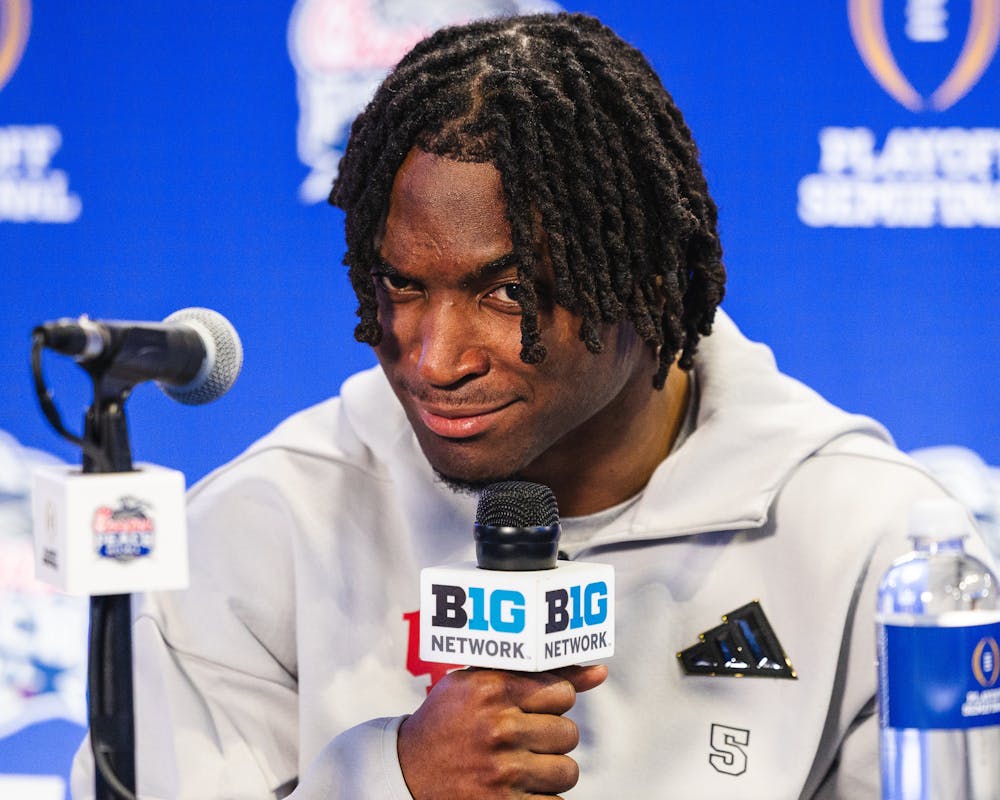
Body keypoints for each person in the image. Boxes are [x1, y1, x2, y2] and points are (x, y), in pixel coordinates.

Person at [72, 12, 969, 799]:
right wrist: (397, 782)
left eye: (507, 292)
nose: (435, 358)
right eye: (402, 285)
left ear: (647, 276)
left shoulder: (866, 539)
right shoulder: (264, 524)